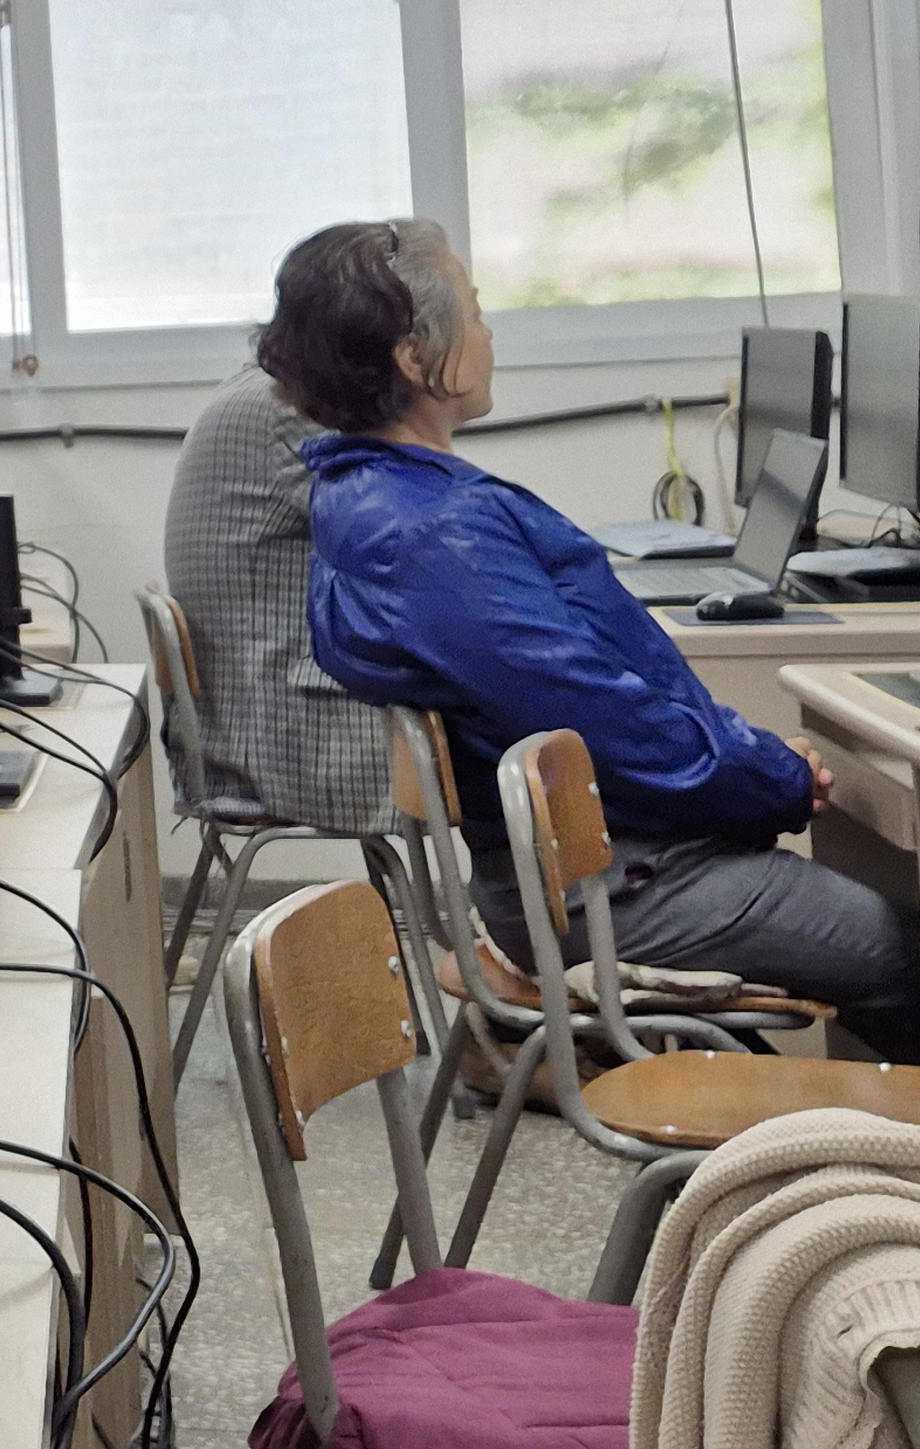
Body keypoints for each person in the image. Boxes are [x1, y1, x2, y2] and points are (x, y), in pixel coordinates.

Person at [272, 218, 920, 1056]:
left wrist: (754, 759)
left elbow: (599, 696)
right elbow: (600, 720)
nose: (488, 333)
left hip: (592, 865)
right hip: (616, 887)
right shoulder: (430, 533)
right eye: (475, 312)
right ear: (413, 355)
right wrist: (769, 777)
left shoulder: (377, 497)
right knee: (898, 947)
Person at [161, 357, 389, 827]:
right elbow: (399, 545)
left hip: (237, 727)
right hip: (283, 744)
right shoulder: (288, 409)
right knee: (511, 728)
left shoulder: (252, 388)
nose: (485, 334)